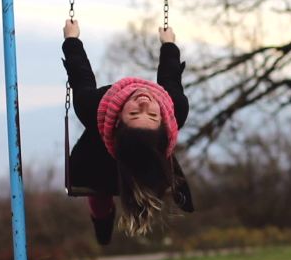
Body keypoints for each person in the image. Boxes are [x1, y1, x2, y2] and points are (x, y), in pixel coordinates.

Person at [62, 19, 193, 245]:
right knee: (103, 189)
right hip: (104, 153)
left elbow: (81, 76)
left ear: (120, 122)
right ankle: (103, 224)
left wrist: (72, 40)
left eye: (134, 115)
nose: (144, 104)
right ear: (163, 122)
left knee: (100, 188)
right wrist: (168, 45)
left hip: (100, 158)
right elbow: (170, 78)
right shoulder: (175, 107)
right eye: (152, 115)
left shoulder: (90, 106)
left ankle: (106, 219)